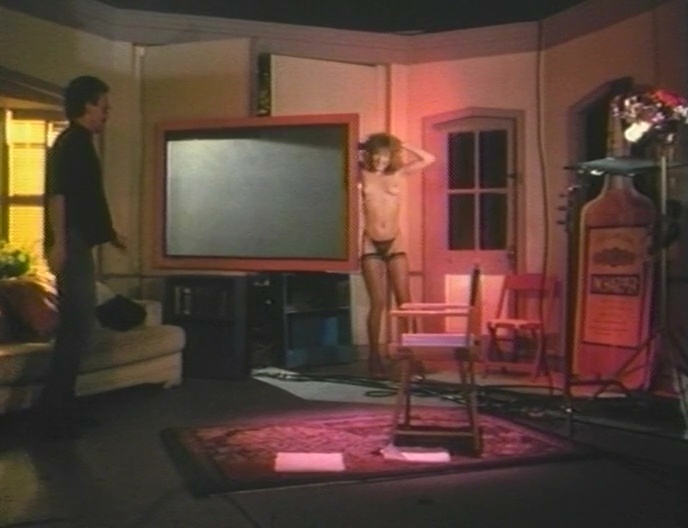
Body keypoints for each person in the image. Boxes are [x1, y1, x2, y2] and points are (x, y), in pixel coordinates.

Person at [33, 75, 127, 439]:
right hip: (71, 242)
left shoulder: (81, 143)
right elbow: (58, 195)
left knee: (79, 327)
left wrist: (110, 235)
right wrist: (58, 243)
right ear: (87, 105)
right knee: (76, 326)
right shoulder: (71, 143)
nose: (107, 113)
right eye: (104, 106)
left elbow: (88, 198)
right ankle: (53, 415)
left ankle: (62, 409)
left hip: (78, 240)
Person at [358, 132, 435, 377]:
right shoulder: (361, 173)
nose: (380, 160)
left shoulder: (399, 173)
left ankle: (411, 357)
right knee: (378, 303)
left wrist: (403, 144)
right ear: (369, 155)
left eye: (385, 156)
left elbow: (428, 158)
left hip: (395, 243)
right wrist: (360, 145)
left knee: (405, 303)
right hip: (370, 243)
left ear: (391, 156)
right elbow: (342, 158)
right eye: (376, 155)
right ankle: (374, 358)